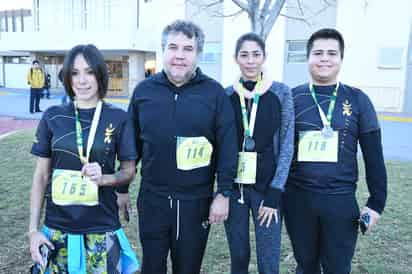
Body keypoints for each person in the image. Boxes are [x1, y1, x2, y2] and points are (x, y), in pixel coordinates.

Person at [124, 19, 238, 274]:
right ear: (163, 51)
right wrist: (122, 189)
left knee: (188, 268)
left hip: (195, 202)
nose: (179, 55)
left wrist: (223, 193)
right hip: (153, 199)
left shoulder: (215, 94)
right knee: (152, 267)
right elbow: (130, 146)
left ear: (197, 54)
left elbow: (228, 147)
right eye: (173, 47)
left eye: (188, 49)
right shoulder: (144, 92)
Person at [283, 28, 387, 274]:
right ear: (308, 58)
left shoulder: (358, 99)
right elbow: (277, 151)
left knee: (338, 268)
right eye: (318, 53)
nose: (324, 58)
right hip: (298, 200)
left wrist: (376, 203)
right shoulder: (291, 97)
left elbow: (374, 156)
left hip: (340, 201)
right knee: (305, 266)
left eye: (332, 53)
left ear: (341, 58)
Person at [28, 44, 139, 274]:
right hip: (57, 228)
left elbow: (129, 170)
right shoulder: (52, 116)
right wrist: (33, 230)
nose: (82, 80)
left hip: (102, 225)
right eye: (75, 73)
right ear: (67, 78)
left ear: (100, 74)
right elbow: (41, 176)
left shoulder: (119, 117)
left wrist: (105, 179)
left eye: (89, 72)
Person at [224, 32, 294, 274]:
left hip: (268, 191)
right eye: (244, 55)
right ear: (236, 59)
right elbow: (222, 146)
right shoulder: (226, 96)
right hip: (236, 190)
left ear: (264, 57)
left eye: (256, 54)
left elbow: (287, 145)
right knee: (239, 256)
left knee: (268, 258)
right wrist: (222, 189)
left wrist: (276, 192)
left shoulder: (281, 93)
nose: (250, 61)